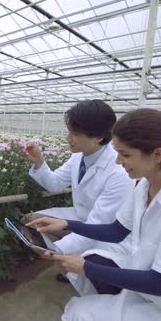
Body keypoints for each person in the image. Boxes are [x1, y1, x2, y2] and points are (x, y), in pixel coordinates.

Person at [27, 108, 161, 321]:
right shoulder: (146, 184)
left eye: (126, 154)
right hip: (154, 297)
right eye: (117, 152)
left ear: (158, 155)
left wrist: (84, 267)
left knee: (80, 313)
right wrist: (66, 224)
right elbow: (116, 231)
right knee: (80, 310)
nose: (118, 161)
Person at [21, 100, 134, 281]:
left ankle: (77, 266)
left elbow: (98, 225)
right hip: (81, 216)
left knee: (62, 243)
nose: (68, 138)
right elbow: (55, 183)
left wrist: (55, 251)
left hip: (105, 231)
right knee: (34, 221)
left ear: (97, 137)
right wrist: (39, 162)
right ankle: (70, 266)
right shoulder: (79, 156)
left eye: (75, 133)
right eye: (69, 131)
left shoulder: (118, 172)